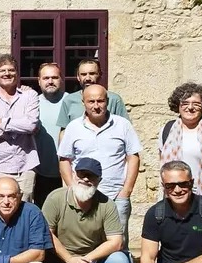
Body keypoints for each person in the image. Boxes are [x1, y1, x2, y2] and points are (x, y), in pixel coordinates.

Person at [42, 158, 129, 263]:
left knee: (119, 261)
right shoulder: (55, 198)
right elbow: (47, 234)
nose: (86, 179)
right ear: (74, 175)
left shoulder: (107, 204)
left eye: (91, 176)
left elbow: (116, 242)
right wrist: (70, 260)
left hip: (92, 258)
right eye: (82, 174)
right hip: (61, 259)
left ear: (99, 180)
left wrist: (84, 261)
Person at [57, 84, 142, 239]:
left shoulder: (122, 125)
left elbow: (133, 157)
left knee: (118, 242)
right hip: (82, 195)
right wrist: (72, 188)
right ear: (83, 103)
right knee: (85, 241)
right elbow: (64, 159)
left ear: (107, 101)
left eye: (100, 101)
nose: (96, 106)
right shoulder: (73, 127)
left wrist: (126, 190)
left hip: (116, 196)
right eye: (91, 101)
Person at [0, 54, 40, 202]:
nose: (7, 74)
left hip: (25, 165)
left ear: (17, 73)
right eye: (2, 70)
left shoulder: (30, 95)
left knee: (24, 208)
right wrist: (19, 127)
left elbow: (31, 125)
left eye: (11, 70)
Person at [35, 63, 72, 207]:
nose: (50, 81)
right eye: (46, 78)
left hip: (68, 173)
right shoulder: (32, 103)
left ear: (61, 79)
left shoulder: (71, 102)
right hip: (39, 173)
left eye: (54, 77)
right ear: (39, 81)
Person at [64, 59, 129, 120]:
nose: (88, 78)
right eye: (84, 74)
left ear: (100, 75)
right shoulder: (69, 100)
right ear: (78, 77)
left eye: (92, 74)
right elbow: (64, 127)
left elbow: (124, 125)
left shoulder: (114, 99)